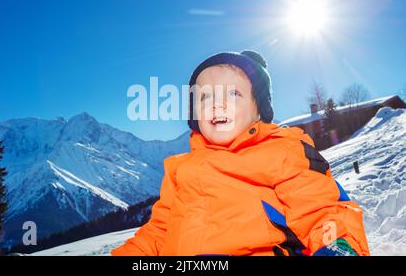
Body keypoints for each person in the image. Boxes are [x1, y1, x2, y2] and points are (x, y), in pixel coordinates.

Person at [111, 51, 370, 256]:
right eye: (205, 97)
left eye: (233, 93)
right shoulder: (180, 171)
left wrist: (338, 248)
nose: (217, 102)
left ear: (259, 111)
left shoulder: (282, 152)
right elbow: (158, 232)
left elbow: (321, 210)